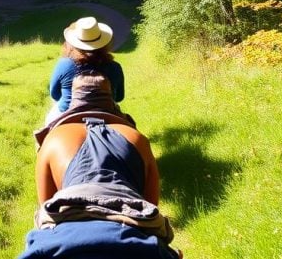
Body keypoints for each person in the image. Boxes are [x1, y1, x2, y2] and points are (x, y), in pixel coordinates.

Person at [19, 116, 180, 258]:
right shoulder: (141, 140)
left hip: (69, 108)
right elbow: (152, 205)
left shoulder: (54, 137)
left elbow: (45, 204)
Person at [45, 17, 124, 127]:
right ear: (103, 43)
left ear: (75, 42)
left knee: (47, 129)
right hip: (107, 111)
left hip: (67, 111)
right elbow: (119, 97)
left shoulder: (64, 64)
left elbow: (54, 94)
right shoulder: (115, 67)